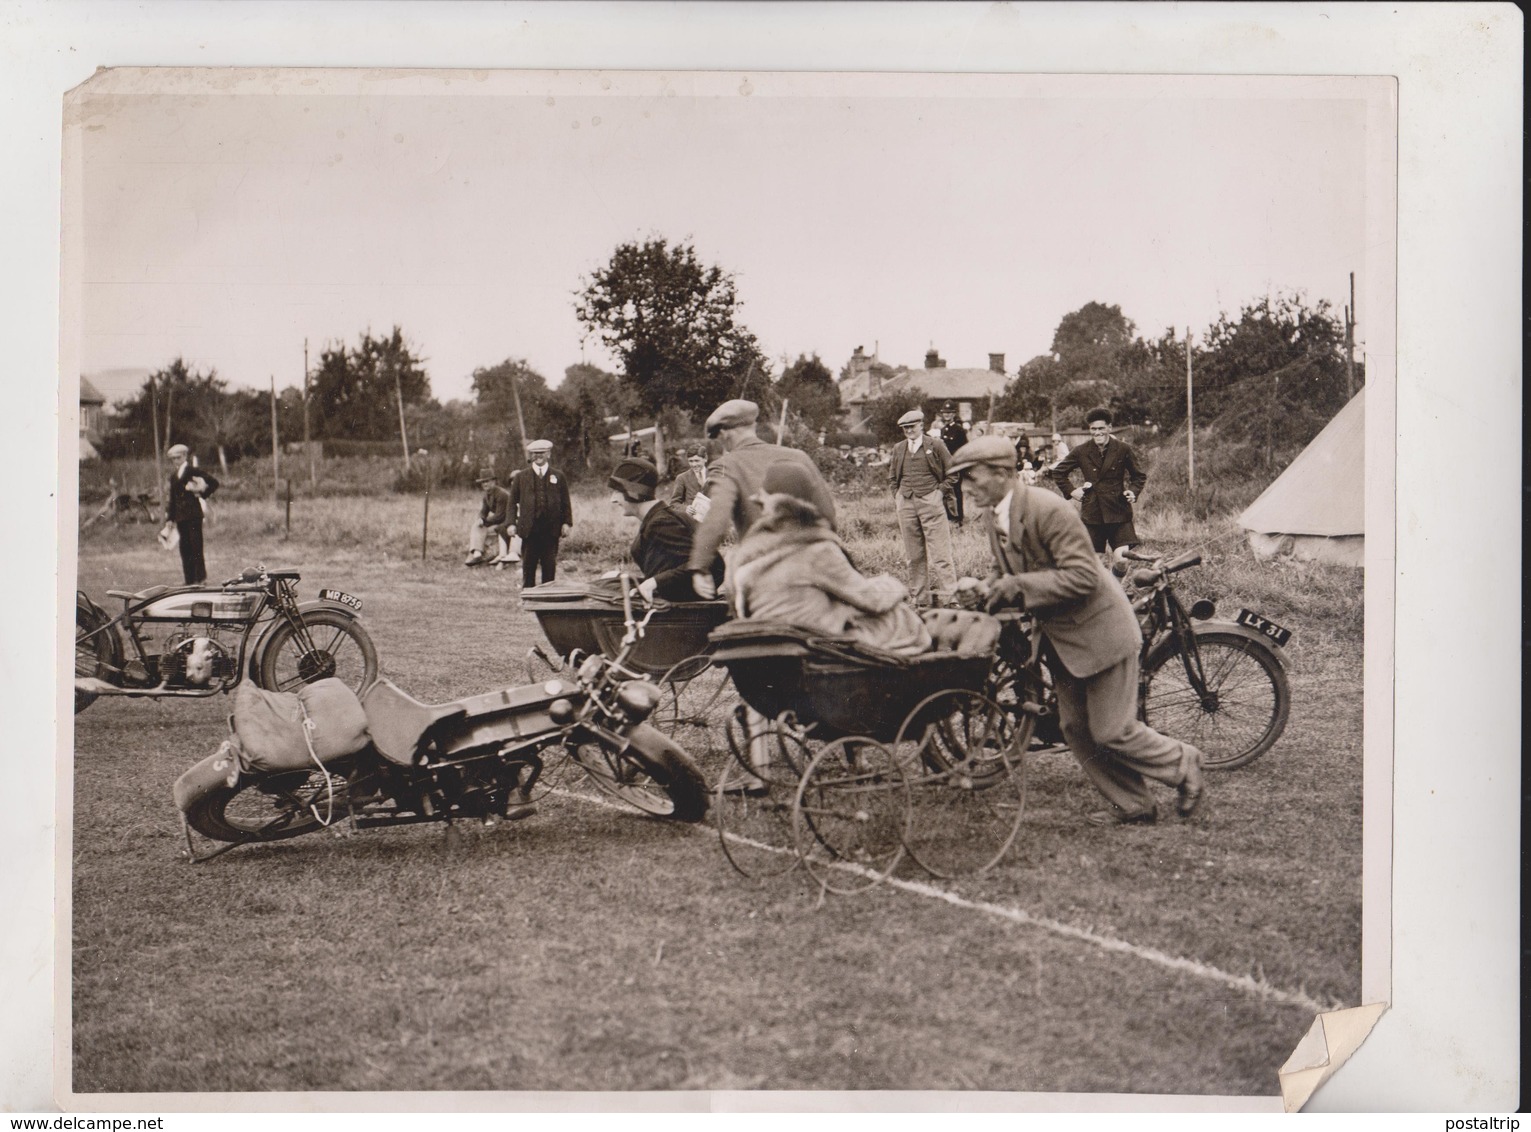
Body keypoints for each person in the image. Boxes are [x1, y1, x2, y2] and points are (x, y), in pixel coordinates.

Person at [949, 435, 1205, 827]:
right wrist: (984, 588)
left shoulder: (1047, 509)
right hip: (1064, 638)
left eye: (971, 477)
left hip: (1101, 632)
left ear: (1001, 473)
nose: (966, 488)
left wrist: (1016, 588)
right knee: (1076, 730)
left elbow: (1083, 576)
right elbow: (1008, 571)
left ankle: (1183, 761)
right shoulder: (995, 514)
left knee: (1113, 730)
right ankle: (1135, 805)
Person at [724, 461, 930, 653]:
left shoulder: (741, 555)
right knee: (899, 617)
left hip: (766, 648)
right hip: (817, 648)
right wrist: (894, 585)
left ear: (763, 504)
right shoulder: (816, 551)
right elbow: (871, 600)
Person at [687, 398, 835, 600]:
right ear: (753, 425)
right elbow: (828, 515)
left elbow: (717, 519)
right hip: (815, 571)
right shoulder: (798, 456)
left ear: (724, 434)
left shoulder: (726, 465)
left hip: (763, 576)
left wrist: (700, 566)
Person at [608, 456, 720, 602]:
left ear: (632, 492)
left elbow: (710, 561)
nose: (613, 499)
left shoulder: (660, 522)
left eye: (617, 491)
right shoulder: (657, 518)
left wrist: (653, 583)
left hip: (682, 611)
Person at [1048, 408, 1148, 560]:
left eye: (1101, 428)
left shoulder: (1123, 449)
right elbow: (1058, 472)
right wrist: (1072, 491)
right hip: (1092, 514)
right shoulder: (1081, 451)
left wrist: (1133, 492)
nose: (1097, 432)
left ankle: (1115, 584)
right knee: (1092, 562)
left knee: (1122, 560)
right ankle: (1100, 584)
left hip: (1118, 512)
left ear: (1109, 427)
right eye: (1093, 429)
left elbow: (1138, 476)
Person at [889, 407, 958, 607]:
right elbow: (893, 477)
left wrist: (939, 493)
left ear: (921, 425)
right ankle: (920, 600)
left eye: (912, 426)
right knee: (914, 555)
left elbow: (953, 473)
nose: (909, 431)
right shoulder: (899, 448)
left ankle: (951, 598)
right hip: (906, 504)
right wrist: (898, 497)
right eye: (905, 428)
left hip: (931, 501)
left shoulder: (935, 445)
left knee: (941, 554)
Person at [507, 439, 573, 588]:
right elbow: (511, 503)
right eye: (535, 453)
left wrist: (567, 523)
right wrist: (511, 523)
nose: (538, 456)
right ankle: (528, 598)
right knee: (528, 566)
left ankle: (547, 602)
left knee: (549, 566)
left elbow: (565, 502)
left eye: (542, 453)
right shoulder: (521, 477)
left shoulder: (559, 476)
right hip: (529, 530)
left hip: (551, 530)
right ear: (531, 455)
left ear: (548, 454)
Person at [162, 443, 218, 585]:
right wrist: (170, 518)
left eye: (178, 457)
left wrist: (200, 493)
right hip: (181, 518)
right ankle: (189, 580)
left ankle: (200, 579)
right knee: (184, 549)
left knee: (196, 548)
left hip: (193, 516)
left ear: (185, 456)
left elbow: (213, 483)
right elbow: (173, 499)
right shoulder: (173, 476)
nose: (175, 461)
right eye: (173, 459)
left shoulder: (193, 471)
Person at [464, 467, 518, 568]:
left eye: (487, 481)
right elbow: (483, 511)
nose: (485, 484)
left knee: (481, 527)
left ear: (494, 481)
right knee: (477, 525)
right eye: (483, 482)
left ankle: (479, 554)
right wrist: (481, 518)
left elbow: (499, 516)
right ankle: (477, 553)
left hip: (506, 523)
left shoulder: (501, 494)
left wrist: (484, 521)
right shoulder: (487, 495)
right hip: (497, 523)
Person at [937, 400, 970, 525]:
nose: (946, 415)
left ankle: (959, 518)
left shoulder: (959, 430)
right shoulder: (943, 430)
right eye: (945, 413)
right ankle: (949, 517)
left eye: (949, 413)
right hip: (945, 466)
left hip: (956, 465)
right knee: (946, 491)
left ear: (953, 414)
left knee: (956, 491)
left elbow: (964, 448)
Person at [668, 445, 712, 516]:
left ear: (705, 458)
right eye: (690, 461)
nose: (694, 464)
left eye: (697, 461)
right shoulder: (682, 478)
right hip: (692, 521)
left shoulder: (715, 475)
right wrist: (685, 508)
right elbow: (673, 504)